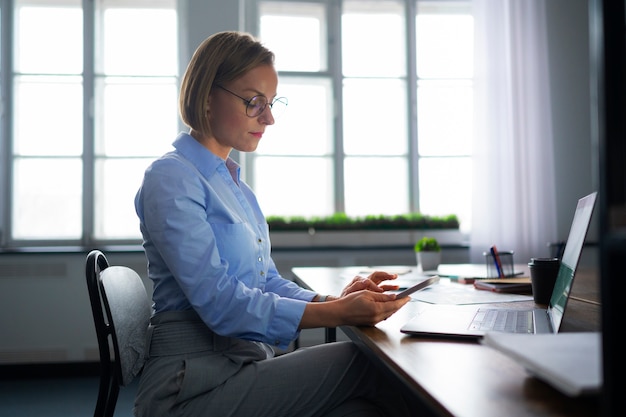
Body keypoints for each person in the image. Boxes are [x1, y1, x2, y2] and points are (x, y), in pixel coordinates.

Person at [134, 30, 417, 417]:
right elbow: (221, 304)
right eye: (253, 102)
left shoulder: (235, 187)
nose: (267, 118)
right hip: (190, 387)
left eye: (270, 104)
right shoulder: (171, 178)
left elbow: (264, 281)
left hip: (237, 366)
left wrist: (334, 301)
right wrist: (336, 314)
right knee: (366, 364)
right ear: (206, 95)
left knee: (358, 410)